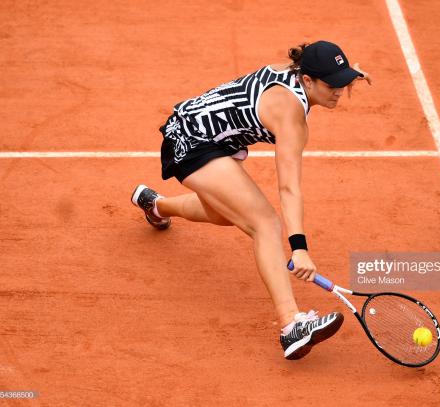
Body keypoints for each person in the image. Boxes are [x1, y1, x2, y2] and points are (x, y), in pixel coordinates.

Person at [131, 40, 372, 360]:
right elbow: (288, 188)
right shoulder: (291, 117)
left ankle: (156, 205)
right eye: (333, 84)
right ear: (308, 81)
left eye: (343, 81)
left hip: (211, 133)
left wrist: (345, 72)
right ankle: (291, 325)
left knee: (222, 214)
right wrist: (299, 247)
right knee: (265, 223)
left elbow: (319, 65)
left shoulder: (298, 70)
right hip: (191, 140)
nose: (339, 90)